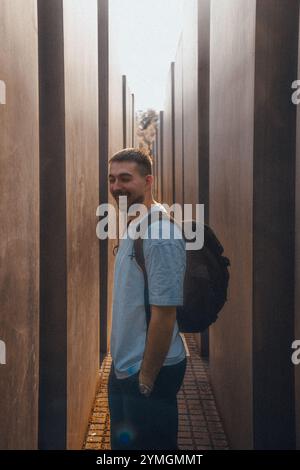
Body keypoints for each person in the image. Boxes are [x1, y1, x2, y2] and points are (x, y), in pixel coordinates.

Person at [108, 147, 187, 450]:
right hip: (126, 367)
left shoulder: (160, 234)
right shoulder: (135, 223)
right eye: (112, 179)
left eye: (125, 178)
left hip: (148, 372)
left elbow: (164, 315)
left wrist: (146, 380)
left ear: (148, 180)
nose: (116, 187)